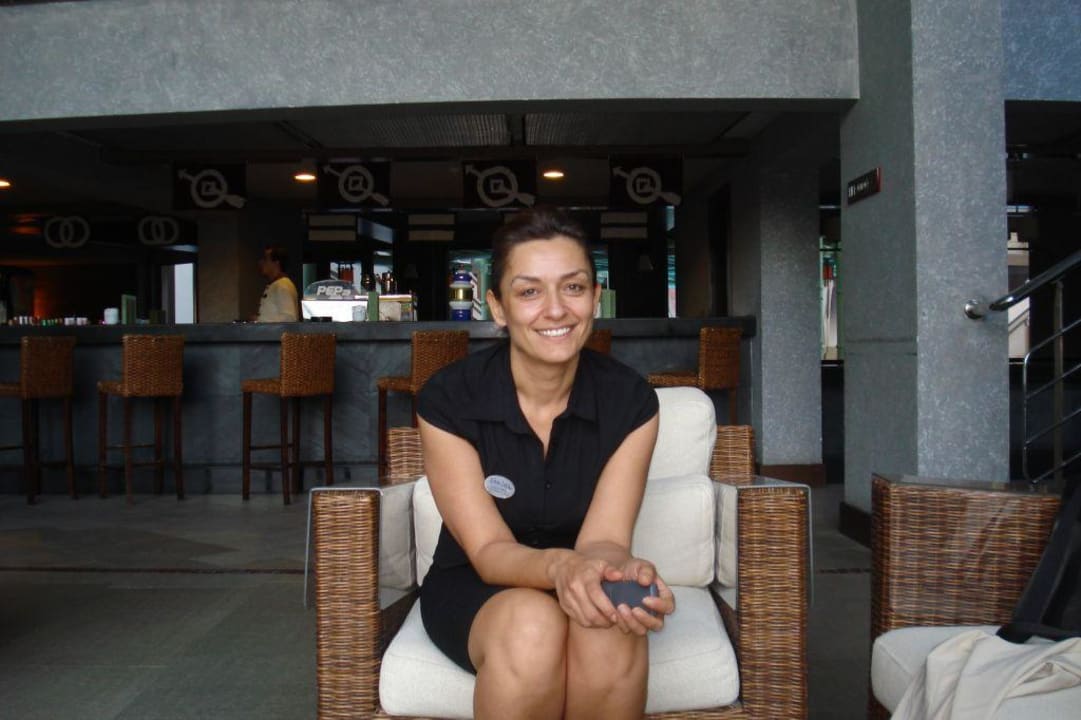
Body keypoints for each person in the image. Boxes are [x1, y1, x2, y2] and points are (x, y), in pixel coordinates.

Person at [417, 206, 675, 720]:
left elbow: (605, 538)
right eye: (530, 292)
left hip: (583, 571)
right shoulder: (449, 399)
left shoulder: (630, 402)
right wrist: (563, 568)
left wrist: (617, 569)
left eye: (573, 287)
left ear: (596, 297)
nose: (556, 310)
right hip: (476, 582)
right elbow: (488, 551)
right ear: (498, 307)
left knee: (614, 620)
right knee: (532, 627)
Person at [254, 245, 299, 322]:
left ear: (276, 263)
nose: (261, 262)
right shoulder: (277, 284)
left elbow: (289, 318)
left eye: (265, 259)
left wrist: (259, 320)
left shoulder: (283, 285)